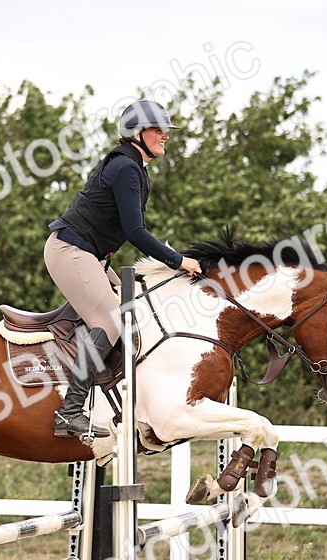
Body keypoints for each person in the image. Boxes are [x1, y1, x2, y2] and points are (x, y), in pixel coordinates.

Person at [45, 99, 202, 439]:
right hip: (71, 251)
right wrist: (178, 261)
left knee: (134, 311)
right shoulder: (127, 168)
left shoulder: (134, 166)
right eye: (158, 130)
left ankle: (114, 402)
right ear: (136, 133)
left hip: (90, 256)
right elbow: (135, 233)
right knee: (111, 319)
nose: (165, 136)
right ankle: (68, 413)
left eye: (165, 131)